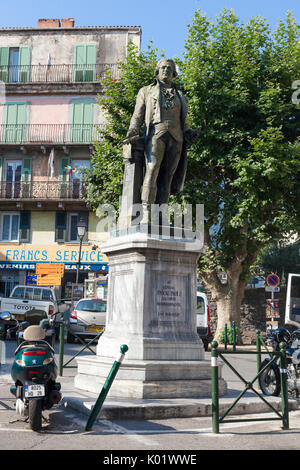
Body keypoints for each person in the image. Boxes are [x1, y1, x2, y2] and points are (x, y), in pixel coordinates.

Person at [123, 58, 199, 223]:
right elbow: (138, 114)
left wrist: (189, 132)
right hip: (156, 134)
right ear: (157, 71)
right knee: (152, 171)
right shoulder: (146, 91)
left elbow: (184, 121)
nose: (166, 70)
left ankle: (160, 216)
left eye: (169, 68)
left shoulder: (180, 95)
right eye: (163, 67)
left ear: (174, 73)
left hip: (177, 138)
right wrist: (132, 130)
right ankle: (146, 213)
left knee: (167, 177)